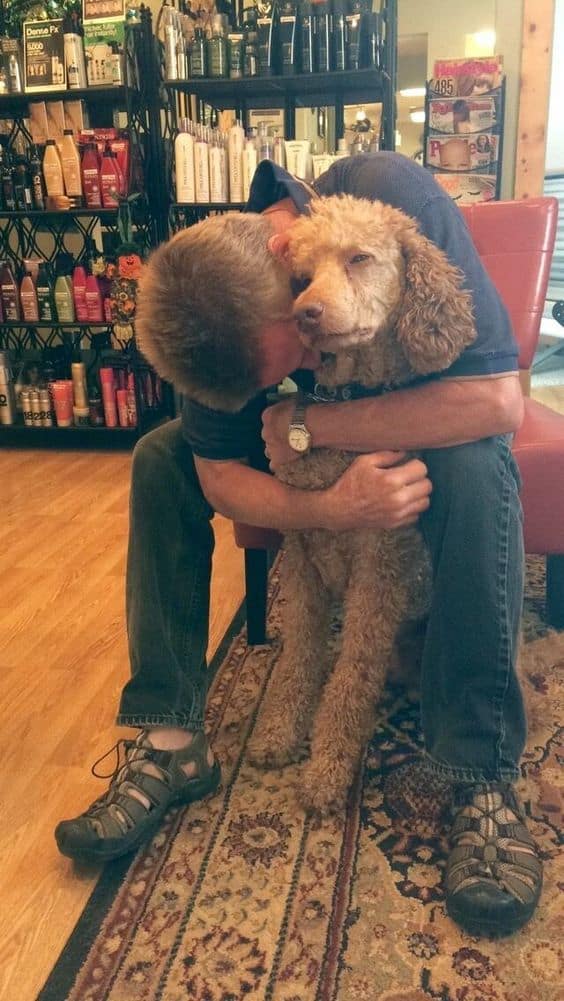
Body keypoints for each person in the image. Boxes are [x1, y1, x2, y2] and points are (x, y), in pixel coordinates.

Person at [55, 154, 542, 938]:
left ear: (286, 264)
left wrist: (317, 423)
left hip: (413, 406)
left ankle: (482, 769)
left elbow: (495, 401)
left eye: (301, 356)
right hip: (308, 459)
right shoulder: (208, 293)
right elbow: (216, 474)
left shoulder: (393, 198)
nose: (312, 360)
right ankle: (173, 737)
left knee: (477, 458)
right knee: (157, 457)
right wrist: (332, 506)